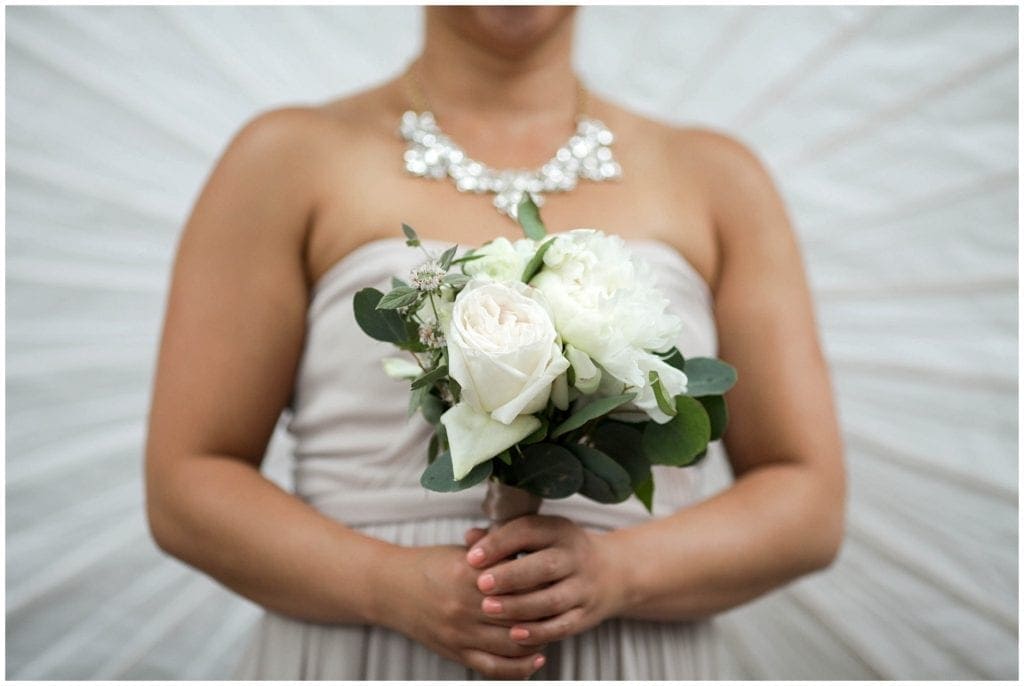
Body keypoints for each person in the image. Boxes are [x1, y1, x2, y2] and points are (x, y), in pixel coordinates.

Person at [144, 5, 845, 680]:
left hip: (628, 653)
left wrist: (620, 573)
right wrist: (385, 585)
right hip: (362, 652)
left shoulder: (717, 177)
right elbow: (188, 482)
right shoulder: (285, 158)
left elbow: (806, 501)